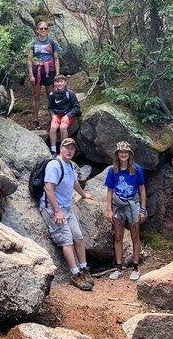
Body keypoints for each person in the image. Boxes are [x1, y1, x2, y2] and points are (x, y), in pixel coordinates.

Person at [40, 137, 94, 291]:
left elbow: (74, 183)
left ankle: (84, 268)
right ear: (61, 148)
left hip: (67, 208)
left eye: (72, 148)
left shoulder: (69, 165)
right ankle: (75, 274)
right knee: (67, 241)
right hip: (52, 209)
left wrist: (83, 194)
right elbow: (48, 189)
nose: (70, 150)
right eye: (67, 147)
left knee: (78, 237)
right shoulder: (54, 165)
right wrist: (57, 211)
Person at [104, 141, 147, 281]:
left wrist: (143, 210)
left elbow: (142, 189)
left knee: (135, 236)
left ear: (129, 154)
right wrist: (109, 210)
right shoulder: (113, 170)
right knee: (118, 237)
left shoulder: (137, 169)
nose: (123, 154)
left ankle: (135, 267)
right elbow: (110, 190)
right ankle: (119, 268)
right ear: (117, 154)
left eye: (126, 152)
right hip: (118, 204)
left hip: (132, 204)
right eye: (121, 152)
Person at [28, 21, 60, 130]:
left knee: (50, 96)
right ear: (37, 30)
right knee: (36, 96)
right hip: (36, 71)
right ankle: (35, 120)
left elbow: (56, 59)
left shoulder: (52, 42)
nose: (43, 30)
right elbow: (29, 60)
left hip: (49, 71)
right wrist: (31, 75)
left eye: (45, 28)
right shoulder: (33, 43)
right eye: (41, 28)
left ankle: (53, 118)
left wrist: (57, 74)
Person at [47, 75, 80, 157]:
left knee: (63, 127)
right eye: (57, 82)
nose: (59, 83)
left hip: (68, 114)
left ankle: (63, 148)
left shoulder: (70, 93)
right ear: (54, 83)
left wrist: (68, 116)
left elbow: (77, 107)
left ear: (65, 82)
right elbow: (50, 108)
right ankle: (53, 150)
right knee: (53, 127)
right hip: (57, 114)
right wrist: (53, 116)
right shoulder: (52, 95)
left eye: (61, 81)